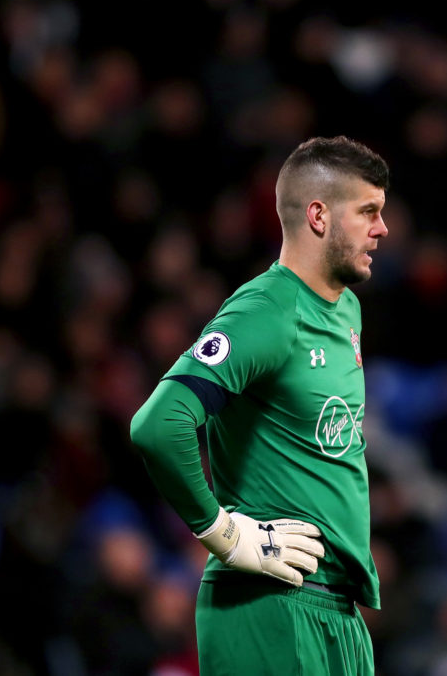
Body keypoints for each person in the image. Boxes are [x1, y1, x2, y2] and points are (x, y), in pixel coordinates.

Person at [130, 135, 390, 674]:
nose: (382, 229)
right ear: (319, 216)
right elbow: (159, 423)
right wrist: (225, 534)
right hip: (269, 602)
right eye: (368, 211)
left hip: (338, 613)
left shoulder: (346, 313)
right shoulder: (266, 310)